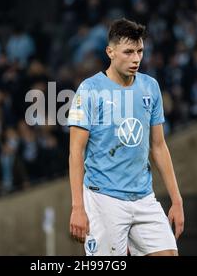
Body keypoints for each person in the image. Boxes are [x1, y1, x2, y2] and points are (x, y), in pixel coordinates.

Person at [68, 18, 184, 256]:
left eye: (140, 51)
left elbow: (159, 147)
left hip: (143, 197)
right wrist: (78, 206)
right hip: (103, 199)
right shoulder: (89, 90)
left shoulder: (150, 88)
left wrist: (177, 199)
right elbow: (75, 152)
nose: (136, 59)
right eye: (128, 52)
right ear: (110, 52)